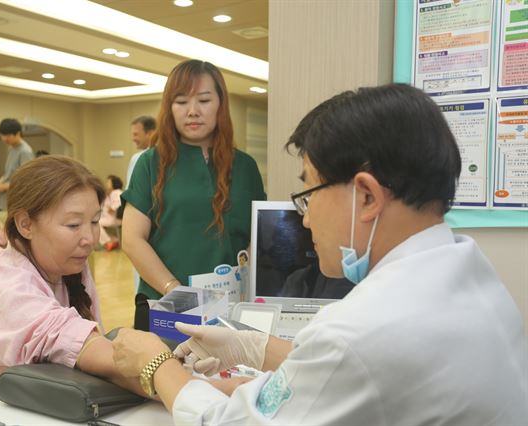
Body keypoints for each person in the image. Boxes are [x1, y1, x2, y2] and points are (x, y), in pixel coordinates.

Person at [111, 84, 528, 424]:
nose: (305, 221)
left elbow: (229, 422)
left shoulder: (358, 333)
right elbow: (347, 372)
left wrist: (156, 366)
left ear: (366, 196)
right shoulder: (466, 265)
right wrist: (253, 347)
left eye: (308, 194)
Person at [0, 156, 144, 410]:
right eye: (73, 224)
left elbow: (95, 355)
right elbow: (77, 344)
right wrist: (156, 364)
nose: (89, 238)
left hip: (20, 406)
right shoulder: (6, 286)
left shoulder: (71, 266)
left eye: (95, 221)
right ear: (25, 224)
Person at [121, 59, 266, 315]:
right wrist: (176, 292)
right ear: (169, 107)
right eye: (181, 101)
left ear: (220, 103)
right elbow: (132, 239)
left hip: (231, 306)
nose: (192, 111)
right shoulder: (150, 163)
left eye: (204, 100)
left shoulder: (245, 166)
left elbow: (257, 239)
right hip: (165, 303)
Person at [0, 118, 34, 210]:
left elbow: (26, 180)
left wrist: (3, 187)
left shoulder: (25, 151)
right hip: (5, 201)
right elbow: (7, 174)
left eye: (8, 136)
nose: (4, 139)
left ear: (17, 134)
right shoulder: (11, 148)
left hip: (17, 202)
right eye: (2, 135)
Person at [125, 115, 156, 188]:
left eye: (136, 134)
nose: (133, 139)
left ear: (150, 134)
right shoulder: (136, 158)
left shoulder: (140, 158)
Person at [98, 174, 123, 251]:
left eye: (108, 182)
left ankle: (108, 242)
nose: (106, 184)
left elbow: (117, 206)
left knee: (96, 224)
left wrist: (109, 208)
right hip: (113, 218)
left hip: (115, 218)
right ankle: (114, 240)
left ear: (113, 184)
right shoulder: (111, 194)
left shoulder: (116, 192)